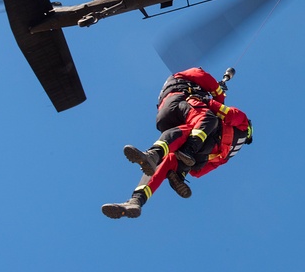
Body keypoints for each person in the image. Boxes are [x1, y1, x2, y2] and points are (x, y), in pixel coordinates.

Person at [101, 68, 251, 219]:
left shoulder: (243, 122)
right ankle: (169, 179)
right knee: (172, 158)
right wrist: (188, 166)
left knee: (186, 132)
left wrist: (213, 97)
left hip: (185, 121)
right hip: (200, 154)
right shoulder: (233, 150)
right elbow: (201, 171)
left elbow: (226, 112)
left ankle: (143, 185)